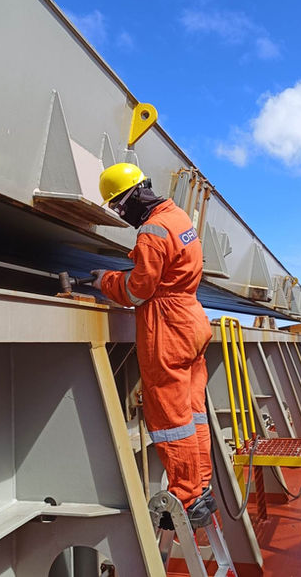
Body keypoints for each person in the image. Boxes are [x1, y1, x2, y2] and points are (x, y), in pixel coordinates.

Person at [91, 162, 216, 529]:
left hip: (167, 327)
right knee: (193, 412)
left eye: (118, 206)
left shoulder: (151, 231)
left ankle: (186, 498)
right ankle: (201, 486)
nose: (120, 214)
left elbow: (138, 290)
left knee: (170, 417)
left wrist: (106, 281)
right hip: (192, 318)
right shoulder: (177, 216)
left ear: (130, 197)